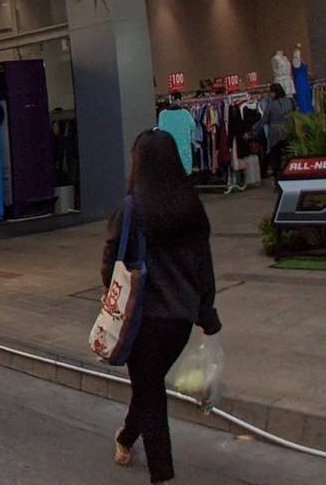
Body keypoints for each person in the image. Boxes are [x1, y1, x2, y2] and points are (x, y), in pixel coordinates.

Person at [101, 129, 220, 484]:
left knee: (151, 393)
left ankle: (162, 476)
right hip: (179, 320)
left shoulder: (131, 209)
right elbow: (204, 264)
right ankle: (124, 438)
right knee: (149, 386)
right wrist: (206, 312)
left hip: (142, 320)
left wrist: (110, 294)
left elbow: (111, 263)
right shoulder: (190, 205)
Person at [260, 83, 294, 178]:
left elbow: (265, 120)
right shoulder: (290, 101)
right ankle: (289, 173)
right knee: (288, 154)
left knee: (275, 156)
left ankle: (277, 176)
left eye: (270, 92)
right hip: (288, 131)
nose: (269, 94)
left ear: (274, 93)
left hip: (275, 134)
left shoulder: (271, 105)